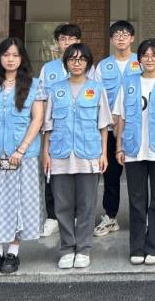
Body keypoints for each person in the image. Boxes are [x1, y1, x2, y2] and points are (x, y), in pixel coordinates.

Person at [0, 38, 46, 275]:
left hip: (21, 157)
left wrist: (21, 150)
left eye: (15, 55)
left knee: (18, 203)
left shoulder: (34, 85)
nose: (10, 59)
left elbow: (37, 119)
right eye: (6, 55)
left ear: (22, 58)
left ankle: (12, 252)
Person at [113, 38, 155, 265]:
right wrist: (119, 146)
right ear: (139, 59)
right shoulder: (128, 83)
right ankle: (137, 247)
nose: (150, 59)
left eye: (154, 55)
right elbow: (121, 118)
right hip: (134, 149)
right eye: (145, 55)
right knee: (136, 200)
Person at [43, 43, 110, 269]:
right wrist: (45, 154)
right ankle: (67, 248)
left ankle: (83, 248)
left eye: (81, 59)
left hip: (88, 154)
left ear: (88, 63)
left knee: (86, 205)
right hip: (59, 154)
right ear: (66, 63)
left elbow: (103, 125)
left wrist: (103, 154)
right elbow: (48, 126)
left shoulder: (97, 89)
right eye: (72, 59)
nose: (77, 63)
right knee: (62, 205)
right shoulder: (56, 89)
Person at [92, 20, 141, 238]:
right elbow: (97, 96)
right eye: (116, 35)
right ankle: (110, 217)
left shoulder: (141, 62)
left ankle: (141, 216)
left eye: (125, 34)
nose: (121, 38)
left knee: (138, 175)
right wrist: (107, 118)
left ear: (132, 38)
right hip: (110, 129)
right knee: (111, 175)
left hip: (136, 127)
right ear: (111, 40)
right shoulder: (103, 66)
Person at [36, 23, 83, 238]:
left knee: (78, 174)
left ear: (79, 41)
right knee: (52, 173)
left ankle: (77, 215)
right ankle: (53, 217)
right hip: (55, 129)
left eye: (72, 39)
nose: (67, 43)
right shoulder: (48, 69)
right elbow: (42, 99)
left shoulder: (88, 66)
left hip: (81, 130)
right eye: (63, 39)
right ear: (57, 43)